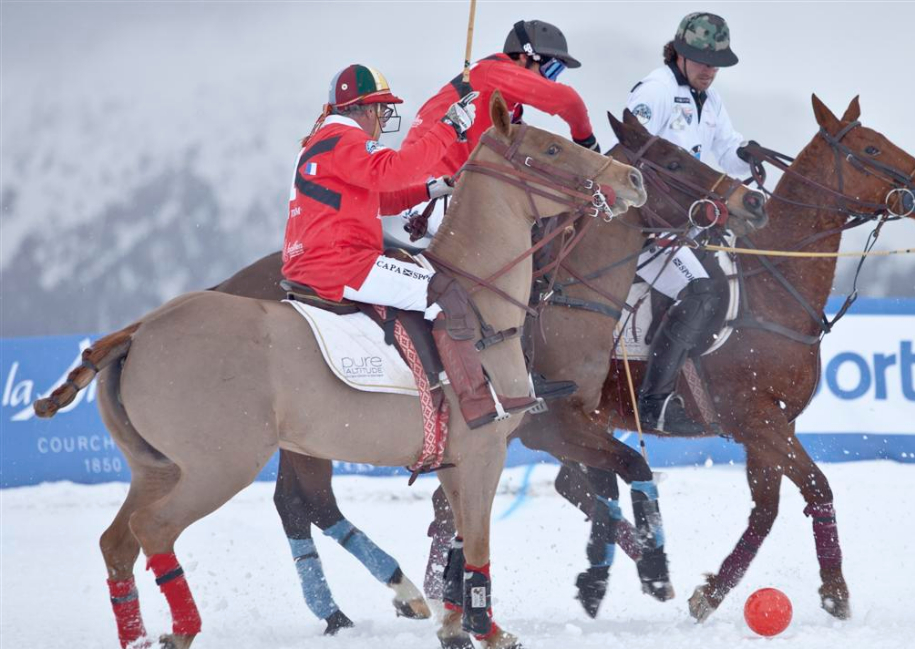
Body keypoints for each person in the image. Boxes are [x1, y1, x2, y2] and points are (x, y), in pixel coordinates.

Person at [283, 64, 536, 427]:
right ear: (367, 109)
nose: (383, 119)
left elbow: (374, 200)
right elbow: (397, 170)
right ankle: (475, 400)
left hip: (316, 258)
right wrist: (449, 129)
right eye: (382, 110)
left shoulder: (320, 141)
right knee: (444, 291)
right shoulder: (346, 139)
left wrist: (429, 190)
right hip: (343, 263)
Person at [393, 19, 600, 400]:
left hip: (440, 190)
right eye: (550, 69)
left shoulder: (504, 102)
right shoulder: (495, 72)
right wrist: (587, 141)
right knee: (509, 263)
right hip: (433, 192)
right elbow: (568, 102)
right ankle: (494, 371)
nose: (550, 80)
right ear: (524, 57)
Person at [625, 12, 751, 434]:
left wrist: (751, 156)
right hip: (646, 228)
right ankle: (654, 403)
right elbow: (628, 156)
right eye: (700, 60)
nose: (709, 70)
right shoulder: (655, 91)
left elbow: (728, 149)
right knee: (699, 292)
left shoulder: (710, 100)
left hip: (687, 224)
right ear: (677, 53)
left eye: (715, 63)